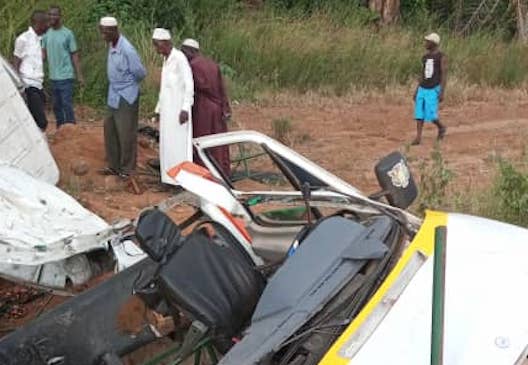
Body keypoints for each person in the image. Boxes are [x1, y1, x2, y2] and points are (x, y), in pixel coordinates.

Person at [99, 16, 146, 178]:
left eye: (105, 33)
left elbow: (140, 73)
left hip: (127, 95)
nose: (102, 36)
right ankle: (114, 165)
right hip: (114, 94)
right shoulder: (112, 44)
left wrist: (128, 84)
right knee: (110, 128)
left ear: (114, 31)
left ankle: (127, 170)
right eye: (101, 32)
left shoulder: (127, 49)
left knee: (126, 132)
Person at [181, 39, 232, 177]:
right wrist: (225, 107)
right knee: (218, 143)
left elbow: (194, 87)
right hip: (217, 107)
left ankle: (204, 172)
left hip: (203, 108)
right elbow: (222, 88)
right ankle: (222, 171)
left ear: (190, 51)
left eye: (184, 51)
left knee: (202, 141)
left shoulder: (192, 65)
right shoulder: (211, 63)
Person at [152, 28, 194, 185]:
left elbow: (189, 84)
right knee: (167, 147)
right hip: (167, 112)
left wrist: (185, 108)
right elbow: (164, 89)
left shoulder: (179, 58)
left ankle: (181, 181)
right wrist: (158, 110)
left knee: (178, 147)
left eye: (157, 45)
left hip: (178, 112)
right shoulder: (166, 60)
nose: (156, 49)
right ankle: (169, 179)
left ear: (166, 43)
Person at [42, 5, 84, 128]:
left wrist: (80, 75)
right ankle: (61, 130)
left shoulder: (67, 34)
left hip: (66, 76)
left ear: (60, 16)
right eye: (50, 14)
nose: (52, 17)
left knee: (67, 104)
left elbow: (74, 55)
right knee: (56, 106)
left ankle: (72, 130)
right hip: (53, 77)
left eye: (55, 14)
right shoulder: (46, 34)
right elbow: (43, 55)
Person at [13, 10, 49, 131]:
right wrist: (19, 86)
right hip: (28, 85)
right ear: (39, 23)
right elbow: (16, 62)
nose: (48, 25)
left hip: (38, 84)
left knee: (34, 120)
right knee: (41, 122)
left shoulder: (42, 39)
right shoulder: (23, 39)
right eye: (46, 22)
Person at [411, 32, 447, 146]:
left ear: (433, 43)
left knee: (431, 115)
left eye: (427, 41)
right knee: (419, 112)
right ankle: (418, 137)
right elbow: (422, 74)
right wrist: (417, 90)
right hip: (423, 87)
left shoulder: (441, 57)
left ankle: (441, 127)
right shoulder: (425, 57)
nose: (425, 43)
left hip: (433, 88)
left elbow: (444, 75)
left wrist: (441, 91)